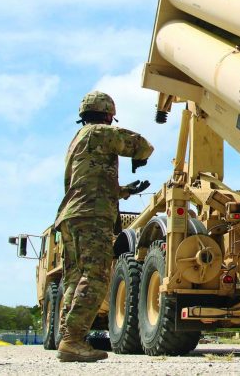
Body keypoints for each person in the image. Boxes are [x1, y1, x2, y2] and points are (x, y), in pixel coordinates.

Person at [54, 91, 154, 362]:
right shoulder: (100, 132)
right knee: (97, 276)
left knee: (76, 278)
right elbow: (139, 143)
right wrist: (141, 156)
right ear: (109, 114)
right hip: (91, 216)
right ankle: (73, 340)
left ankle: (69, 338)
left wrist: (123, 191)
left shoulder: (78, 140)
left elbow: (91, 180)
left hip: (71, 215)